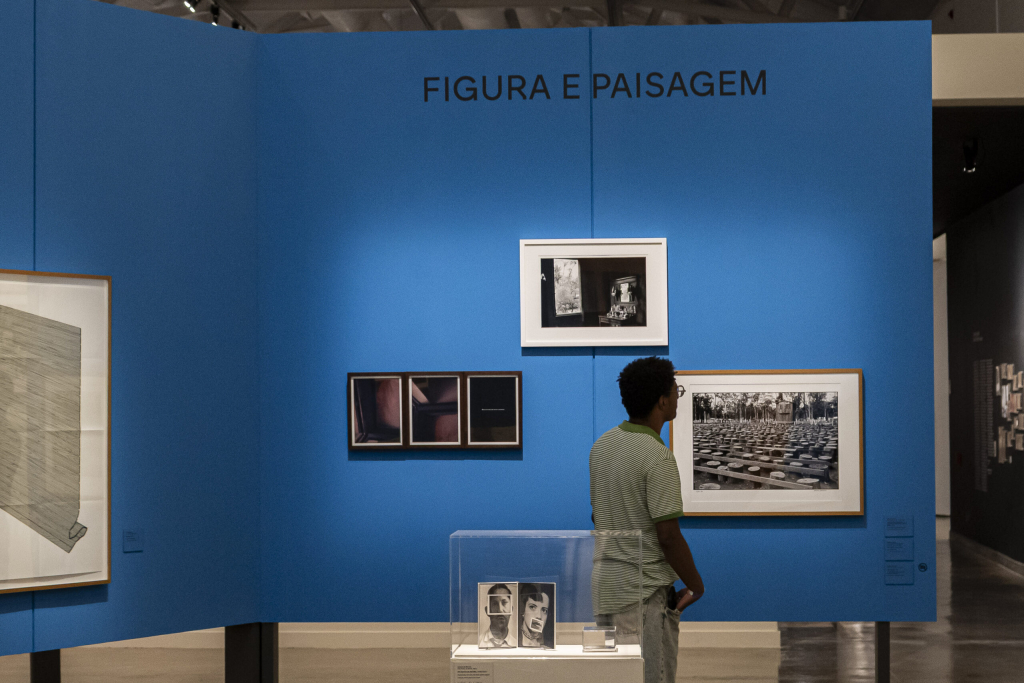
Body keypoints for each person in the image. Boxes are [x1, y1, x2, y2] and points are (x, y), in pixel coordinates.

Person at [590, 356, 705, 683]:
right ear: (663, 401)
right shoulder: (658, 456)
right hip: (643, 595)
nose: (677, 396)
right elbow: (667, 536)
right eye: (675, 390)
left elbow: (599, 515)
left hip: (604, 587)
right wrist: (695, 585)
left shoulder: (602, 446)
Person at [479, 583, 516, 648]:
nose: (500, 610)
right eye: (495, 604)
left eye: (504, 603)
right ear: (487, 610)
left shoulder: (516, 644)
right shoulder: (478, 643)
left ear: (511, 609)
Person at [518, 584, 551, 648]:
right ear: (523, 609)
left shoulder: (547, 647)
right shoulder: (514, 640)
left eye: (544, 610)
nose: (539, 616)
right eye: (532, 607)